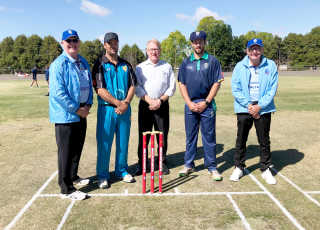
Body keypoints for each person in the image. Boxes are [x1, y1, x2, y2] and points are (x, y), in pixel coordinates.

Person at [49, 29, 93, 200]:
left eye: (75, 40)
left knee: (77, 149)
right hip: (65, 116)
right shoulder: (58, 64)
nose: (72, 44)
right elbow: (58, 93)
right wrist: (76, 108)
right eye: (69, 41)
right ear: (62, 44)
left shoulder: (83, 62)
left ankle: (73, 176)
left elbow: (89, 85)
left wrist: (88, 105)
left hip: (82, 113)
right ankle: (66, 188)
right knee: (65, 152)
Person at [229, 38, 279, 185]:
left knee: (264, 140)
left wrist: (260, 106)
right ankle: (239, 166)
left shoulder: (270, 65)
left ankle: (265, 168)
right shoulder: (239, 66)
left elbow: (272, 89)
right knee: (241, 139)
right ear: (247, 51)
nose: (255, 51)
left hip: (263, 108)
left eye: (258, 49)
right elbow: (235, 89)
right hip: (244, 107)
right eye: (252, 49)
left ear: (262, 50)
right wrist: (249, 105)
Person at [92, 32, 137, 189]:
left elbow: (132, 85)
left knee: (123, 143)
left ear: (118, 44)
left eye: (115, 42)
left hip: (125, 109)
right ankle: (103, 175)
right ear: (105, 45)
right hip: (107, 110)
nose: (113, 45)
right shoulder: (99, 64)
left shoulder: (126, 64)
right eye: (109, 43)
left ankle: (122, 171)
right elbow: (100, 89)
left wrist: (125, 102)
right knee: (104, 144)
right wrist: (118, 103)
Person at [177, 31, 224, 181]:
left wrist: (207, 102)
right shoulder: (185, 62)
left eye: (200, 41)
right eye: (195, 42)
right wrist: (189, 103)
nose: (198, 44)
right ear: (191, 44)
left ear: (204, 43)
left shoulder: (213, 61)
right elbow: (181, 84)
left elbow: (217, 83)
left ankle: (212, 166)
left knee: (209, 137)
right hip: (190, 105)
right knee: (191, 137)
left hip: (207, 104)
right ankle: (188, 164)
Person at [134, 39, 176, 176]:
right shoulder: (140, 67)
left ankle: (162, 162)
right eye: (151, 49)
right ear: (146, 51)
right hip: (145, 106)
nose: (154, 52)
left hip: (162, 105)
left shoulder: (167, 66)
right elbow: (137, 87)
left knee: (162, 136)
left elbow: (171, 87)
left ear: (160, 50)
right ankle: (142, 163)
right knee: (143, 136)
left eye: (156, 49)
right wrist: (149, 100)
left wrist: (159, 101)